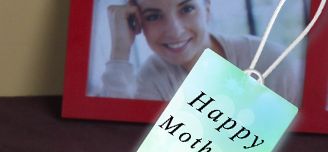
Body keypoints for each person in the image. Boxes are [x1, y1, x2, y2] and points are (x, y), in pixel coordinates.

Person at [100, 0, 304, 104]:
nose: (174, 30)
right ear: (138, 24)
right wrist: (119, 50)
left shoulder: (270, 60)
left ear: (207, 8)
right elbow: (118, 138)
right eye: (153, 16)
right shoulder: (153, 76)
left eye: (187, 9)